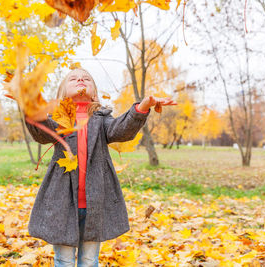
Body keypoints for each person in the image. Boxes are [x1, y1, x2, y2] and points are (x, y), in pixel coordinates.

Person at [25, 68, 176, 267]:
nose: (80, 79)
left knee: (89, 260)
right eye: (74, 79)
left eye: (86, 78)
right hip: (62, 204)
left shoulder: (102, 119)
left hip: (95, 204)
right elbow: (40, 131)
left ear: (94, 93)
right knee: (64, 260)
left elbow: (121, 129)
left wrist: (142, 107)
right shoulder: (58, 120)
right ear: (62, 93)